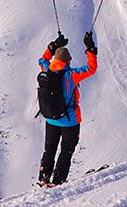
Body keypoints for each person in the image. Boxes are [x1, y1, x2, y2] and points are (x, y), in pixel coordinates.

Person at [37, 31, 98, 187]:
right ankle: (57, 182)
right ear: (67, 61)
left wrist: (53, 47)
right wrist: (90, 49)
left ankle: (43, 178)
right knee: (66, 151)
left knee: (49, 149)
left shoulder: (46, 70)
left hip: (50, 119)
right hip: (69, 121)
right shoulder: (71, 75)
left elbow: (42, 59)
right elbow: (91, 68)